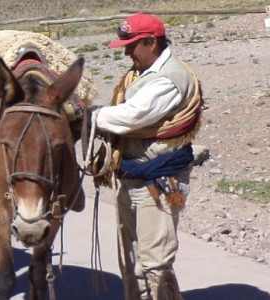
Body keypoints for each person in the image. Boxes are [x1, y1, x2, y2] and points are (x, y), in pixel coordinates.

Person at [89, 12, 203, 300]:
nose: (127, 52)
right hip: (132, 175)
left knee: (154, 262)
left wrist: (91, 116)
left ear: (152, 42)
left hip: (158, 178)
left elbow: (132, 116)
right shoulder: (142, 74)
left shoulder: (169, 79)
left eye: (132, 45)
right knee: (130, 259)